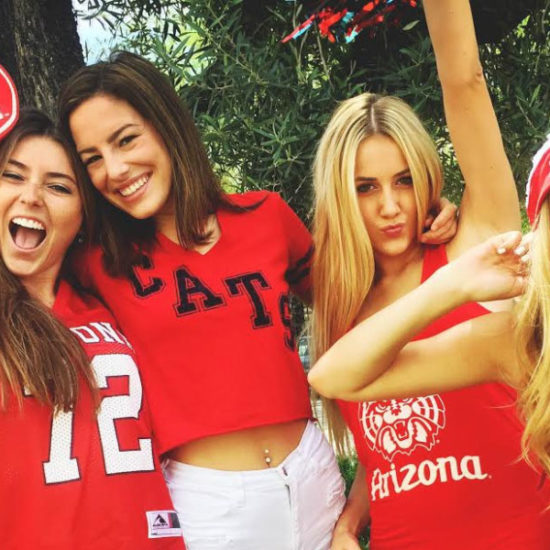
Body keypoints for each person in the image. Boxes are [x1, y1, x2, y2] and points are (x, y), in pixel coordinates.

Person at [56, 48, 456, 549]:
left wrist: (431, 222)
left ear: (166, 126)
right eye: (92, 159)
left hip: (313, 480)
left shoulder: (266, 216)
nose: (114, 169)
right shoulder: (93, 263)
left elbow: (363, 297)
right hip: (207, 509)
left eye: (126, 140)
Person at [308, 0, 550, 549]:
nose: (390, 206)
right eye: (365, 188)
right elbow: (391, 446)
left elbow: (464, 80)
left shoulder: (473, 248)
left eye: (404, 180)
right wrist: (350, 521)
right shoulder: (341, 305)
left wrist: (453, 279)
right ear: (340, 198)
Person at [0, 107, 185, 550]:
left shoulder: (107, 301)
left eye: (58, 186)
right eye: (13, 176)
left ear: (84, 215)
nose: (31, 196)